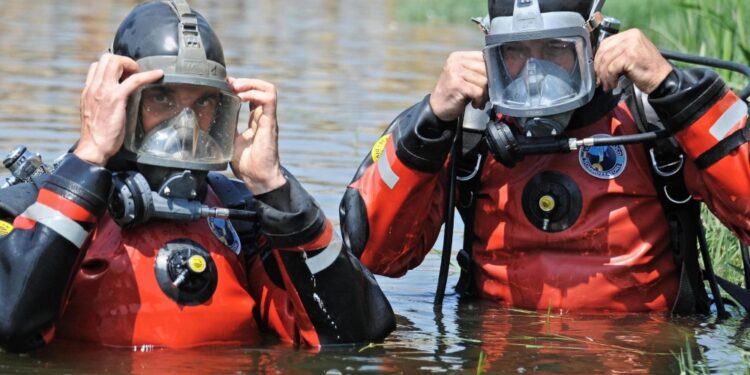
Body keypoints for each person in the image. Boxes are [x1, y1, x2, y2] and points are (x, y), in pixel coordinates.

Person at [0, 0, 394, 353]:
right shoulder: (32, 208)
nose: (185, 125)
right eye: (162, 98)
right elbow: (11, 327)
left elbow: (357, 335)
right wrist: (87, 160)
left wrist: (274, 189)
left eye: (203, 102)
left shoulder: (243, 216)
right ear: (117, 97)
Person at [340, 0, 750, 314]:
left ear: (593, 34)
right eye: (514, 51)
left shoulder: (651, 118)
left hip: (633, 351)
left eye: (556, 48)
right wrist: (431, 120)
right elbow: (377, 254)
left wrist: (673, 89)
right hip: (499, 352)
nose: (534, 73)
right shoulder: (472, 125)